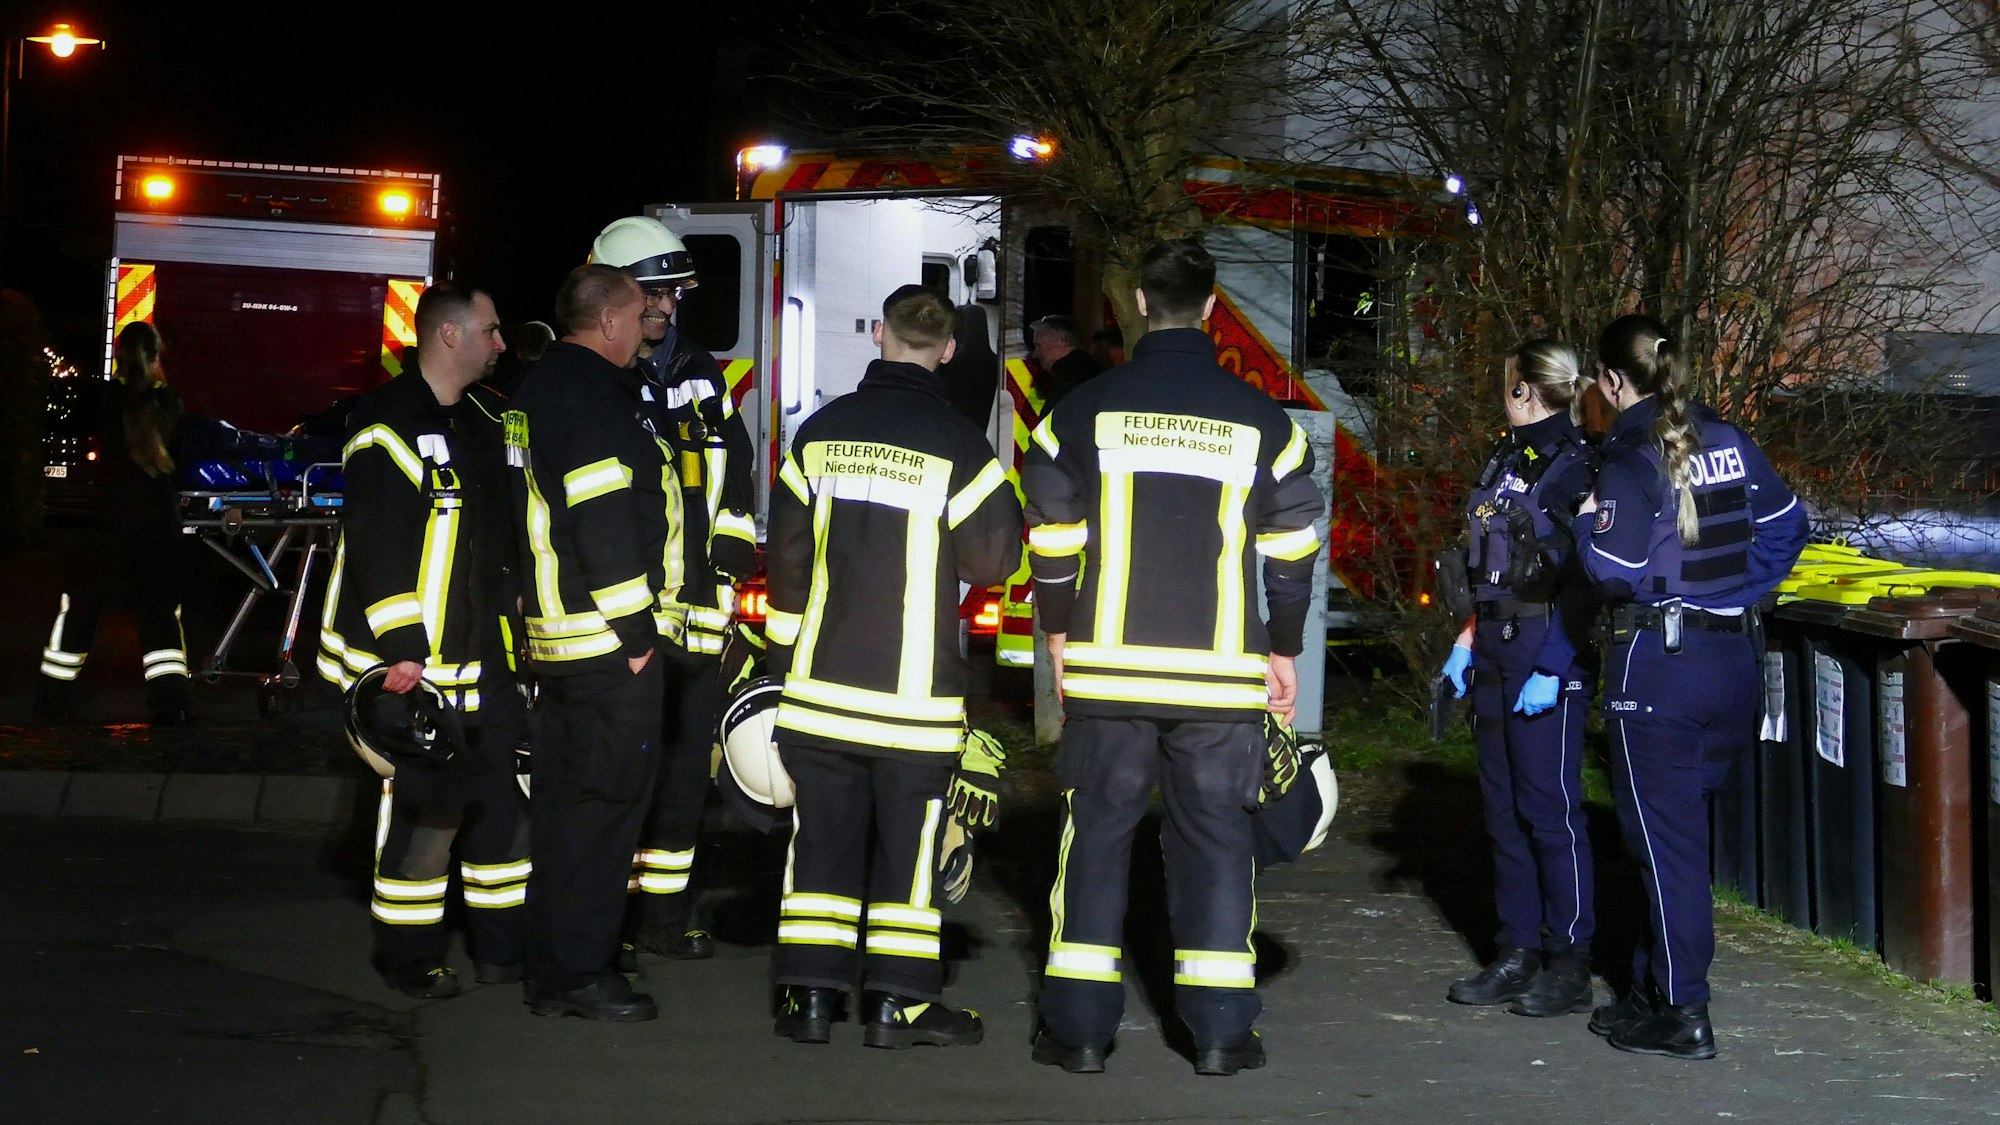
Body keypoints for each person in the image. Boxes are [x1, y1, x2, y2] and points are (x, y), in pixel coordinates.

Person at [1022, 238, 1326, 1076]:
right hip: (1221, 672)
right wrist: (1286, 647)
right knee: (1217, 842)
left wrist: (1057, 625)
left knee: (1096, 838)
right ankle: (1224, 1032)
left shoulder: (1080, 412)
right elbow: (1295, 542)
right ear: (1213, 305)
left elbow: (1049, 526)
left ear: (1142, 305)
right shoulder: (1264, 420)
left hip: (1108, 668)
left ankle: (1080, 1028)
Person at [762, 284, 1022, 1050]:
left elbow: (784, 560)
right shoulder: (959, 444)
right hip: (915, 703)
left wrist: (783, 664)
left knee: (819, 841)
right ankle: (899, 1004)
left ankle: (809, 998)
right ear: (947, 351)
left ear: (879, 335)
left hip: (819, 691)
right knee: (910, 853)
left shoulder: (819, 434)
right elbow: (995, 557)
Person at [1575, 313, 1808, 1060]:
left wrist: (1582, 526)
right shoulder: (1731, 440)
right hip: (1732, 665)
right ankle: (1650, 990)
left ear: (1613, 381)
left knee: (1665, 849)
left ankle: (1684, 1009)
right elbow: (1787, 524)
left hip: (1661, 670)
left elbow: (1611, 569)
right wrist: (1737, 591)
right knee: (1678, 842)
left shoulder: (1629, 457)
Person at [315, 282, 531, 999]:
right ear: (450, 336)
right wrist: (402, 649)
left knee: (503, 814)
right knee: (425, 816)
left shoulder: (484, 419)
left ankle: (502, 952)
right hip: (412, 666)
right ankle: (410, 958)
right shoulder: (383, 422)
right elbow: (379, 543)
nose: (503, 344)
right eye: (493, 330)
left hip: (485, 661)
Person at [504, 264, 685, 1021]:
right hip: (609, 648)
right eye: (641, 309)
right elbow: (606, 526)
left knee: (563, 809)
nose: (652, 321)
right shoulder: (594, 399)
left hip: (561, 642)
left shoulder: (541, 389)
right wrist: (639, 636)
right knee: (606, 813)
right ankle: (580, 973)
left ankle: (552, 966)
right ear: (609, 320)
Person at [590, 216, 758, 965]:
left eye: (674, 292)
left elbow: (736, 470)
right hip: (618, 615)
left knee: (689, 766)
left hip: (695, 611)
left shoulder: (696, 369)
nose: (668, 306)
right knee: (623, 770)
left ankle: (665, 912)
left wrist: (727, 552)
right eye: (655, 293)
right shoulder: (592, 376)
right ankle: (610, 917)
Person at [1437, 340, 1600, 1017]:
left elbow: (1589, 579)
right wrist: (1468, 637)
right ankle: (1517, 948)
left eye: (1508, 386)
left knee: (1549, 810)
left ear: (1526, 391)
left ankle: (1569, 960)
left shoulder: (1576, 467)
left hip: (1544, 645)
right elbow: (1489, 558)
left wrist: (1556, 664)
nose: (1502, 397)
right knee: (1503, 811)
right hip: (1498, 642)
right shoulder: (1507, 457)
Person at [34, 320, 196, 727]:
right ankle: (170, 704)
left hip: (104, 524)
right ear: (157, 357)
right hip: (158, 526)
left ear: (119, 357)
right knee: (160, 617)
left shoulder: (99, 399)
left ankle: (51, 702)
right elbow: (182, 466)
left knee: (78, 614)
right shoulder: (172, 403)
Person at [1029, 314, 1104, 409]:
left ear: (1062, 341)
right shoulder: (1092, 372)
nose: (1035, 354)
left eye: (1039, 345)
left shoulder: (1067, 381)